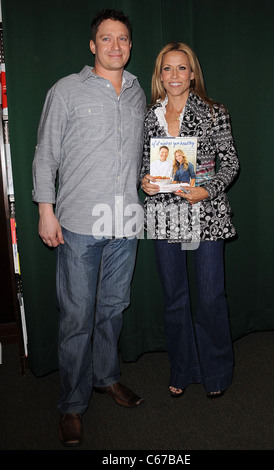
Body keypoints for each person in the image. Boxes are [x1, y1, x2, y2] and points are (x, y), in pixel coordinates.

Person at [32, 9, 146, 447]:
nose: (115, 46)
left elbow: (136, 157)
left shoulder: (139, 95)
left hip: (127, 221)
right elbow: (46, 154)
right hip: (78, 223)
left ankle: (106, 377)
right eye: (106, 38)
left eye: (122, 39)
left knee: (113, 307)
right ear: (93, 45)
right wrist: (46, 210)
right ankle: (73, 405)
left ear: (130, 46)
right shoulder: (66, 90)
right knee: (77, 317)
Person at [141, 42, 239, 399]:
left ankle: (216, 371)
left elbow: (230, 164)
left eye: (182, 68)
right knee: (174, 297)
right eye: (167, 68)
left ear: (193, 73)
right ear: (159, 75)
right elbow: (144, 165)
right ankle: (183, 367)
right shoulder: (149, 115)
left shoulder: (215, 112)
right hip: (165, 216)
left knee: (211, 296)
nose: (175, 75)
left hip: (205, 214)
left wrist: (207, 190)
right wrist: (145, 181)